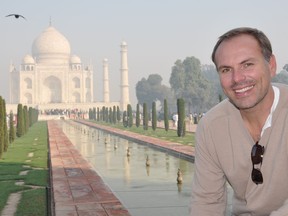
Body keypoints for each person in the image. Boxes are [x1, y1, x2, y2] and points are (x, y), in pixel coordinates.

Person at [190, 27, 288, 216]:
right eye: (226, 70)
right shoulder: (212, 126)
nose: (237, 79)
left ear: (271, 65)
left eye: (247, 64)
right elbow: (207, 202)